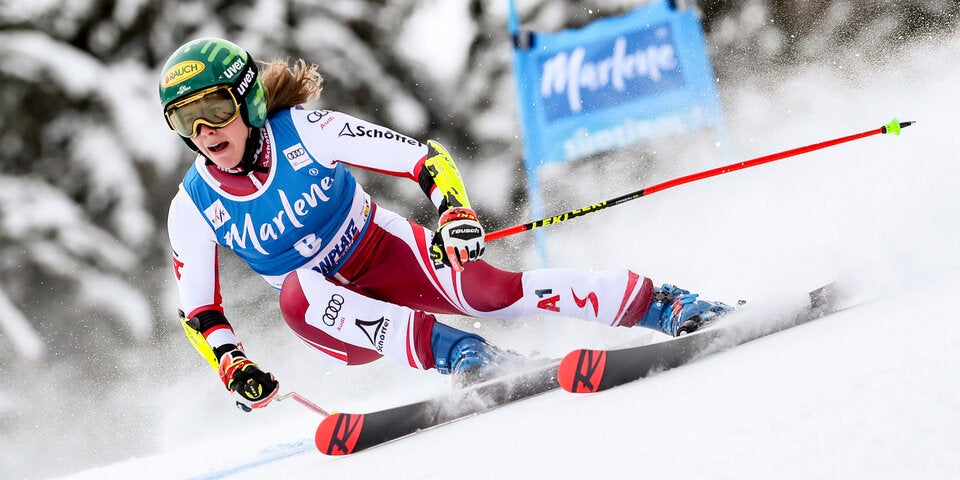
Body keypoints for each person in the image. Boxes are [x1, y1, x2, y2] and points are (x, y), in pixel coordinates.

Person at [160, 37, 730, 412]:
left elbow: (423, 158)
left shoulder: (306, 129)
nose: (205, 130)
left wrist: (454, 210)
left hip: (383, 250)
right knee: (298, 290)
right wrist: (232, 364)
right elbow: (201, 311)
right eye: (186, 119)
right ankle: (465, 355)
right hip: (330, 317)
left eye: (214, 108)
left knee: (490, 290)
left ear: (248, 101)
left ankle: (664, 304)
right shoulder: (192, 206)